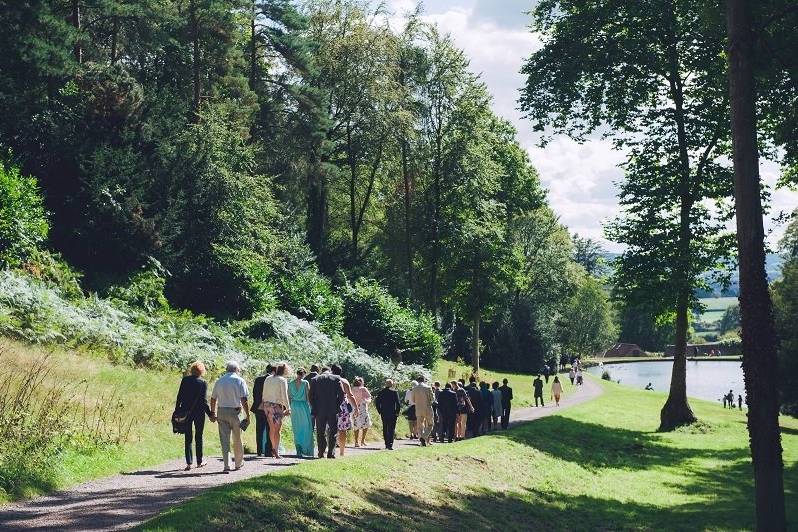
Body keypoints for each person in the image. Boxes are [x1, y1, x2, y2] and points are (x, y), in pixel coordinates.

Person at [210, 361, 250, 472]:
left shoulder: (219, 381)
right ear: (237, 369)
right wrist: (248, 415)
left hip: (221, 411)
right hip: (235, 412)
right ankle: (238, 463)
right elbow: (244, 399)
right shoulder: (240, 380)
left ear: (227, 369)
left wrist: (213, 413)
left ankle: (226, 465)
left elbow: (213, 398)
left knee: (224, 439)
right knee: (237, 438)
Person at [174, 361, 213, 471]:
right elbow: (204, 401)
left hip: (186, 411)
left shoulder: (185, 380)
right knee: (199, 436)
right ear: (202, 371)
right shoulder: (203, 383)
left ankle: (189, 463)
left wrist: (177, 409)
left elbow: (179, 396)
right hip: (199, 412)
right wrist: (210, 414)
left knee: (188, 436)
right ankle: (199, 461)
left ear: (192, 370)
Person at [308, 366, 344, 459]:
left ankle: (321, 452)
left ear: (321, 371)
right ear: (330, 371)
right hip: (332, 409)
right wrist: (337, 405)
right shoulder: (336, 378)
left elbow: (310, 396)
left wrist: (314, 406)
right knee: (333, 431)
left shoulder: (315, 379)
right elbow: (341, 394)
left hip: (319, 409)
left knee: (320, 431)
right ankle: (331, 453)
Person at [261, 362, 291, 459]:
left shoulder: (268, 378)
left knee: (271, 428)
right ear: (284, 371)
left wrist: (265, 404)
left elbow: (264, 393)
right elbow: (284, 395)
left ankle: (273, 447)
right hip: (276, 406)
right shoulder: (282, 380)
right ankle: (276, 451)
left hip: (267, 405)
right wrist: (288, 407)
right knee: (278, 430)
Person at [333, 365, 358, 457]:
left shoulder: (328, 380)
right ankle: (342, 452)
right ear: (341, 371)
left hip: (330, 406)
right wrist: (356, 408)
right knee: (342, 430)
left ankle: (330, 450)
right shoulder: (344, 381)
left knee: (330, 429)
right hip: (342, 407)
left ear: (332, 371)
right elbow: (350, 395)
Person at [289, 367, 314, 457]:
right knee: (306, 427)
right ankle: (305, 449)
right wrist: (311, 407)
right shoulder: (305, 383)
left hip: (294, 406)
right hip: (303, 406)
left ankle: (298, 448)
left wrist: (289, 407)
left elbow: (290, 397)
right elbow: (308, 397)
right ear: (303, 374)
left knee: (297, 428)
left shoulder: (290, 383)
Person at [251, 364, 274, 457]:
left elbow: (255, 393)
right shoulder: (273, 380)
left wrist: (258, 403)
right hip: (270, 407)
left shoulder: (258, 379)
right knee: (270, 429)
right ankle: (268, 451)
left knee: (259, 430)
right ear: (274, 371)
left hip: (259, 407)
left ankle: (259, 450)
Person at [375, 379, 401, 449]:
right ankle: (390, 444)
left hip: (384, 412)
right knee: (391, 428)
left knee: (385, 427)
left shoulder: (381, 392)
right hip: (392, 412)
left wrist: (379, 411)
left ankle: (386, 443)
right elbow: (398, 404)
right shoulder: (394, 392)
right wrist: (397, 412)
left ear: (385, 384)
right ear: (392, 384)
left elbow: (377, 403)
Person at [410, 375, 435, 446]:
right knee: (430, 424)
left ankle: (421, 440)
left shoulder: (414, 389)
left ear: (417, 381)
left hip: (418, 409)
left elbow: (413, 400)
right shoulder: (428, 388)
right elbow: (432, 399)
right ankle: (424, 437)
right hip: (427, 408)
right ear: (424, 380)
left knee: (420, 426)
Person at [351, 377, 373, 447]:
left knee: (356, 425)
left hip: (355, 407)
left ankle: (356, 442)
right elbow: (369, 397)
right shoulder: (363, 389)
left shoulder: (352, 389)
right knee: (366, 424)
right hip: (362, 408)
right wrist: (365, 401)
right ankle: (362, 441)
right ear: (362, 382)